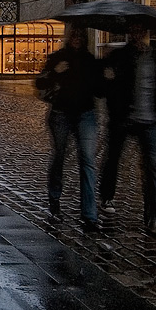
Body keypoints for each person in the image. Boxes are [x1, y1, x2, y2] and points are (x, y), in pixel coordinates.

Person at [99, 22, 156, 239]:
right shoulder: (119, 56)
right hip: (123, 118)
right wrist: (107, 70)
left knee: (152, 167)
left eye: (142, 32)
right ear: (131, 34)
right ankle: (106, 196)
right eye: (136, 32)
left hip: (148, 120)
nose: (139, 36)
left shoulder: (154, 57)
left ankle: (154, 217)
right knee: (113, 159)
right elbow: (104, 86)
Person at [35, 25, 103, 232]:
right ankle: (54, 197)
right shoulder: (58, 58)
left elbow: (100, 91)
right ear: (69, 37)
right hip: (61, 114)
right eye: (74, 35)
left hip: (85, 114)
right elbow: (40, 83)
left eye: (80, 35)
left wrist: (106, 77)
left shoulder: (90, 60)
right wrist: (55, 73)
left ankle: (89, 214)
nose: (77, 38)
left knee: (87, 161)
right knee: (59, 156)